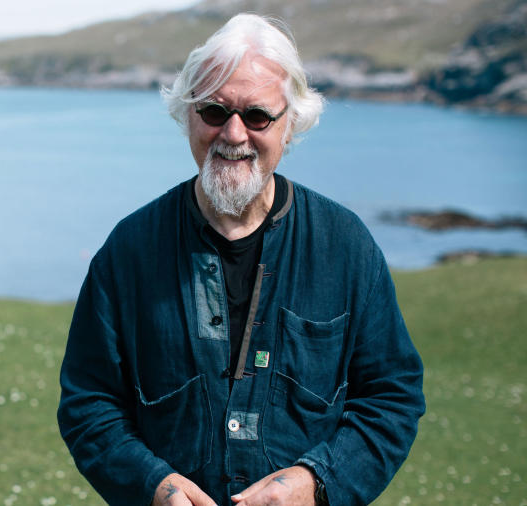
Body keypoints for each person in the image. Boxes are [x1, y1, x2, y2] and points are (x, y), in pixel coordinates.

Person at [56, 13, 425, 506]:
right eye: (213, 111)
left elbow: (391, 398)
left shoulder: (346, 246)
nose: (233, 134)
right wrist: (152, 486)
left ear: (290, 124)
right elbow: (88, 404)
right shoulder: (128, 251)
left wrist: (316, 483)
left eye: (257, 115)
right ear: (186, 115)